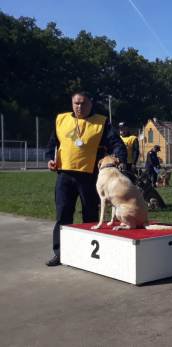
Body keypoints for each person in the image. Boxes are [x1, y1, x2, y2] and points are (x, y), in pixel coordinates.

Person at [45, 91, 127, 267]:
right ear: (71, 103)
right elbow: (53, 144)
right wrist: (50, 159)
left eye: (83, 103)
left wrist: (119, 157)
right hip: (64, 175)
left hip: (89, 176)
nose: (79, 107)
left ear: (91, 104)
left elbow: (117, 144)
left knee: (89, 214)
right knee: (63, 214)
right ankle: (60, 253)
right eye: (76, 103)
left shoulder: (102, 122)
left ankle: (87, 254)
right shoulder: (61, 120)